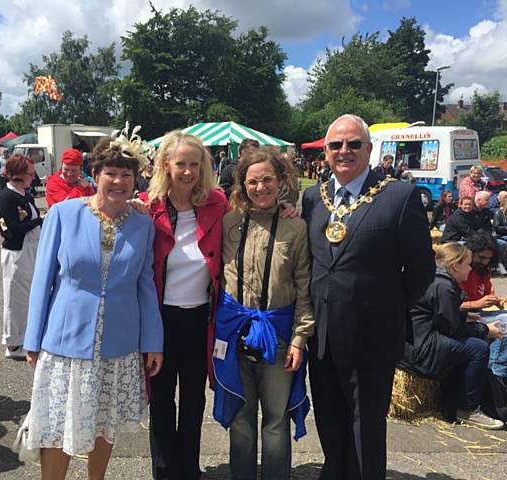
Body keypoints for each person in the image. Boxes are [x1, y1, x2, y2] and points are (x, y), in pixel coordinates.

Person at [23, 129, 164, 480]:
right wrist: (32, 338)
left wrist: (153, 342)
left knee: (105, 420)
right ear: (96, 175)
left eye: (126, 174)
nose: (118, 181)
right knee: (57, 422)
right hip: (65, 341)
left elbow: (145, 284)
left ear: (135, 179)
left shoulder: (143, 224)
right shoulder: (63, 214)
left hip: (118, 342)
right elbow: (43, 279)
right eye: (110, 173)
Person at [301, 114, 435, 479]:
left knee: (367, 424)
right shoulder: (313, 198)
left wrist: (385, 309)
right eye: (335, 145)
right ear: (325, 152)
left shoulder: (398, 196)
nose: (344, 151)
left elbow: (422, 270)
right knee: (329, 416)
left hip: (373, 335)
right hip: (323, 334)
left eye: (353, 144)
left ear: (369, 149)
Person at [212, 148, 314, 480]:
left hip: (279, 337)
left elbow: (304, 287)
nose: (261, 187)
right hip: (234, 332)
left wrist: (300, 338)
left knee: (275, 419)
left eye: (267, 180)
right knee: (240, 418)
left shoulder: (295, 227)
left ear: (280, 181)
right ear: (242, 184)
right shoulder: (228, 221)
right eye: (253, 181)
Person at [139, 131, 229, 480]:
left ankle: (189, 470)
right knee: (162, 401)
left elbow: (253, 213)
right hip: (161, 319)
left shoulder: (217, 204)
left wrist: (286, 206)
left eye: (195, 164)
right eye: (181, 164)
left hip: (200, 320)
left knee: (193, 402)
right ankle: (164, 471)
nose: (188, 172)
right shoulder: (148, 206)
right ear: (166, 165)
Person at [400, 242, 505, 430]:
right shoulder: (443, 285)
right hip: (421, 348)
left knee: (472, 343)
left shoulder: (434, 277)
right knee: (478, 349)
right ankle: (468, 409)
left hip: (411, 341)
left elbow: (439, 315)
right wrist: (485, 330)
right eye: (468, 264)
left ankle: (458, 399)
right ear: (455, 265)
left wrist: (463, 314)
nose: (471, 268)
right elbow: (450, 329)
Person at [458, 232, 507, 398]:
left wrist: (494, 300)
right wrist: (478, 303)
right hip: (463, 316)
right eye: (481, 257)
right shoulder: (462, 270)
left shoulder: (483, 269)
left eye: (488, 258)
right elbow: (452, 306)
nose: (484, 262)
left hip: (475, 312)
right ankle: (496, 377)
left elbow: (485, 294)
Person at [0, 154, 43, 359]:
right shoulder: (6, 196)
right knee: (14, 298)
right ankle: (13, 344)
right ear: (18, 175)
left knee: (26, 297)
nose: (34, 177)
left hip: (29, 251)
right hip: (16, 253)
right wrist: (40, 219)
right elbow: (12, 228)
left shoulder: (24, 194)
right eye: (30, 174)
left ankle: (23, 338)